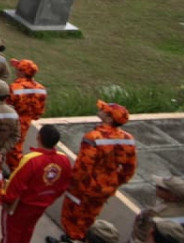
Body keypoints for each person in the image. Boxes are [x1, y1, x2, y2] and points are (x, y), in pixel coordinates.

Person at [54, 101, 138, 243]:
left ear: (109, 118)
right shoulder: (128, 139)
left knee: (72, 218)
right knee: (89, 218)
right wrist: (115, 182)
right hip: (105, 188)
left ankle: (72, 239)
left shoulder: (93, 138)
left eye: (104, 110)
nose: (100, 109)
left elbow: (83, 167)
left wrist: (75, 185)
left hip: (84, 188)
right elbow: (129, 168)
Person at [1, 124, 73, 243]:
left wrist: (5, 199)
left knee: (10, 235)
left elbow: (16, 184)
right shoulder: (64, 159)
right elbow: (63, 185)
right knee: (27, 232)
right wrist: (49, 198)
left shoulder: (31, 160)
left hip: (21, 206)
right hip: (41, 206)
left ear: (38, 137)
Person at [129, 176, 184, 243]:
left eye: (161, 188)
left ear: (173, 197)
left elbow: (142, 234)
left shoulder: (157, 214)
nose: (157, 187)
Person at [7, 58, 47, 170]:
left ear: (22, 72)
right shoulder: (41, 89)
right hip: (26, 121)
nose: (16, 71)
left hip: (13, 121)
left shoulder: (15, 87)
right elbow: (39, 112)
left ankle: (16, 171)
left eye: (18, 69)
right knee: (18, 144)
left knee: (13, 148)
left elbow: (7, 106)